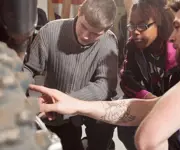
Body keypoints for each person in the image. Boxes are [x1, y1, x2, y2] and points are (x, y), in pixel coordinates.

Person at [29, 0, 180, 149]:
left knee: (179, 118)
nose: (171, 37)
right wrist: (75, 104)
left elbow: (149, 135)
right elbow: (144, 106)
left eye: (177, 27)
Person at [23, 0, 118, 150]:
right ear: (79, 11)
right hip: (58, 110)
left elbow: (104, 86)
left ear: (107, 29)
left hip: (91, 105)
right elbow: (28, 68)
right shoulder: (49, 31)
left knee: (103, 129)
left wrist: (67, 99)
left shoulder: (109, 42)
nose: (86, 36)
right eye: (84, 26)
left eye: (95, 33)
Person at [118, 0, 180, 149]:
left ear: (159, 23)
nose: (135, 32)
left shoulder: (176, 50)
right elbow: (126, 79)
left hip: (174, 107)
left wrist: (162, 103)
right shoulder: (132, 46)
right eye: (132, 26)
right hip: (148, 101)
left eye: (142, 25)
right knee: (125, 126)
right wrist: (147, 97)